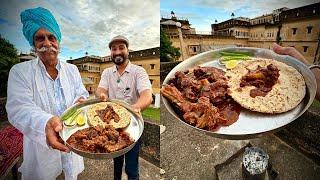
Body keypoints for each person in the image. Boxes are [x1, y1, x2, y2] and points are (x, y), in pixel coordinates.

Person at [6, 7, 88, 180]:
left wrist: (82, 101)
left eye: (51, 37)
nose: (47, 43)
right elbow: (18, 108)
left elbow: (81, 94)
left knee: (71, 174)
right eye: (39, 38)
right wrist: (46, 123)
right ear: (33, 44)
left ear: (58, 41)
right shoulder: (20, 71)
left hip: (73, 141)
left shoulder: (72, 70)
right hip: (41, 148)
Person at [95, 35, 153, 180]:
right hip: (112, 125)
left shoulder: (138, 72)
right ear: (111, 53)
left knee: (131, 168)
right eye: (114, 49)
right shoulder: (107, 72)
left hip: (132, 126)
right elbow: (100, 90)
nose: (117, 52)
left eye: (121, 48)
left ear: (128, 50)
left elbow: (147, 96)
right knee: (117, 163)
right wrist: (102, 95)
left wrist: (136, 107)